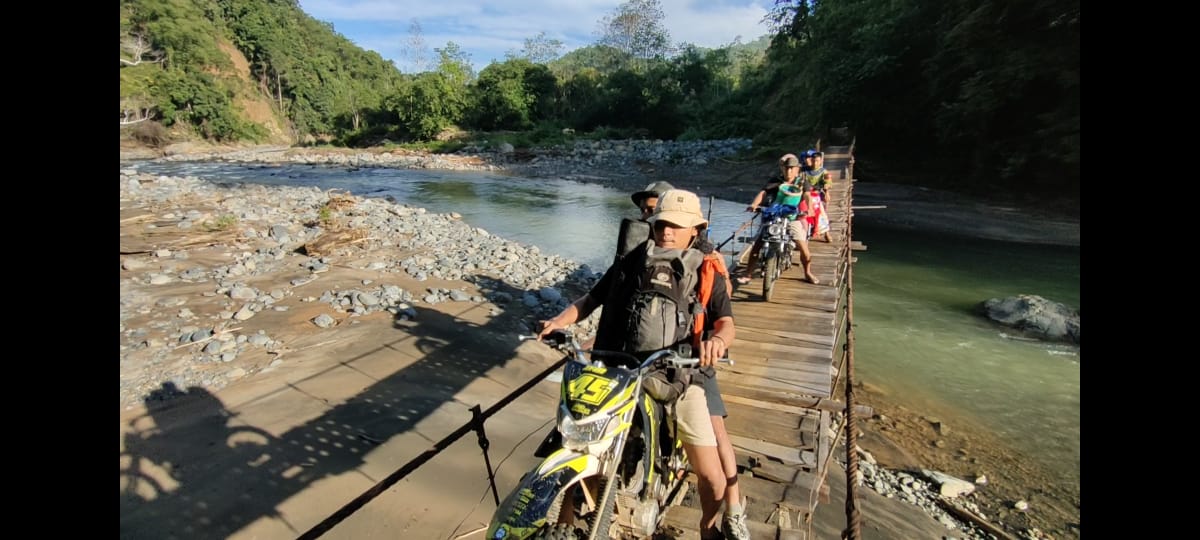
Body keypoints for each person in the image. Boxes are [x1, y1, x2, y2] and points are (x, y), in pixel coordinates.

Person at [539, 189, 740, 540]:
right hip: (623, 370)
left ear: (695, 230)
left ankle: (709, 528)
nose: (666, 230)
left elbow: (726, 321)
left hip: (679, 373)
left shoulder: (707, 269)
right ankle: (567, 522)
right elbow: (592, 298)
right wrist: (559, 321)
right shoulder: (632, 261)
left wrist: (717, 341)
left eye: (676, 225)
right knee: (575, 439)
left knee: (710, 473)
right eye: (661, 222)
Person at [737, 154, 819, 285]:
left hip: (792, 217)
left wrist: (809, 208)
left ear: (797, 169)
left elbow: (807, 195)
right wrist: (754, 204)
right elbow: (763, 192)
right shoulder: (776, 180)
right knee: (757, 244)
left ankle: (807, 272)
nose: (789, 171)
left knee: (804, 249)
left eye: (792, 168)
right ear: (782, 168)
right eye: (786, 168)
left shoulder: (802, 182)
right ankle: (748, 273)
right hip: (774, 216)